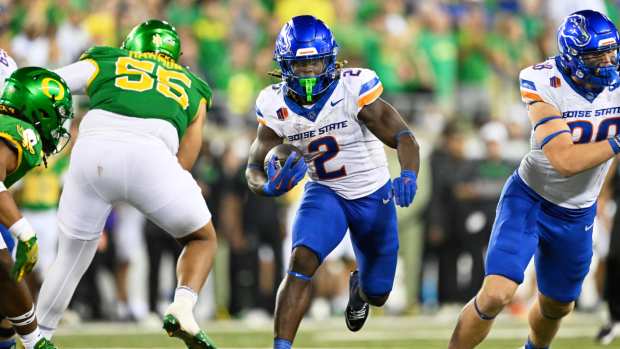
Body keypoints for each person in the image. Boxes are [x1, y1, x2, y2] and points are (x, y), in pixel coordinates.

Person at [34, 19, 218, 349]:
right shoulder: (192, 85)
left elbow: (49, 84)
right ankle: (183, 308)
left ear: (131, 46)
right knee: (202, 238)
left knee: (71, 257)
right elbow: (186, 160)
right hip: (153, 156)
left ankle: (38, 338)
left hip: (94, 150)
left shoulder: (107, 59)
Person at [448, 10, 620, 349]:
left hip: (577, 212)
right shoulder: (543, 81)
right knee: (496, 294)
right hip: (531, 199)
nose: (608, 61)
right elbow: (565, 160)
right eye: (596, 55)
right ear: (573, 57)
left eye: (611, 52)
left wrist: (605, 189)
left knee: (558, 306)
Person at [245, 15, 420, 349]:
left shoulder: (353, 89)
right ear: (284, 66)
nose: (309, 73)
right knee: (301, 262)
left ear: (330, 61)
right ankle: (281, 346)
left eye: (315, 63)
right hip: (325, 192)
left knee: (379, 292)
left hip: (373, 195)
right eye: (300, 65)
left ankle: (360, 290)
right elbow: (254, 165)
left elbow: (404, 136)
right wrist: (266, 186)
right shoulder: (274, 104)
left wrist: (409, 173)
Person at [0, 66, 73, 349]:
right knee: (5, 266)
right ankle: (35, 343)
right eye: (58, 115)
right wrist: (25, 231)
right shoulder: (21, 131)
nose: (59, 127)